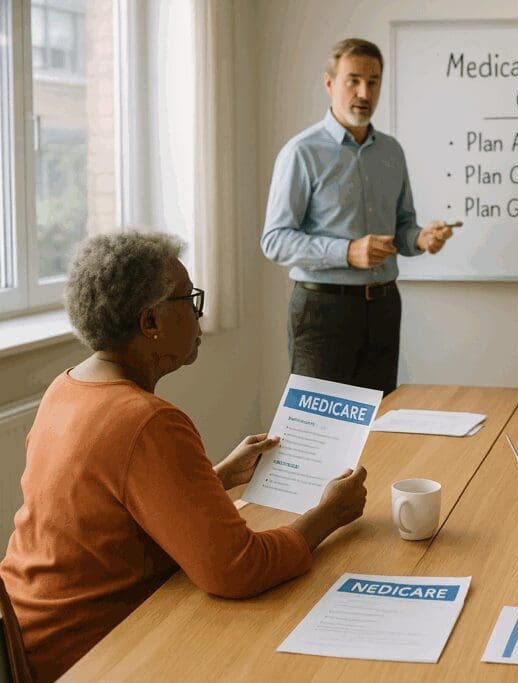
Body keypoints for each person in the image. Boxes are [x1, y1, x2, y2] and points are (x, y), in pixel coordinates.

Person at [0, 233, 369, 682]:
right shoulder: (146, 420)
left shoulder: (67, 387)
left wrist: (217, 477)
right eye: (189, 300)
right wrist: (330, 514)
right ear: (151, 321)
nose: (200, 314)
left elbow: (109, 512)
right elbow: (237, 569)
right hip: (84, 653)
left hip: (27, 632)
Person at [262, 37, 457, 395]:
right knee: (317, 430)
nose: (364, 92)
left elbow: (401, 227)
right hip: (322, 310)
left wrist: (421, 238)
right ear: (329, 83)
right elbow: (275, 240)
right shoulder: (301, 152)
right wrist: (347, 252)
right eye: (353, 80)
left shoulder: (391, 152)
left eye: (373, 81)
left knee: (377, 427)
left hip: (383, 307)